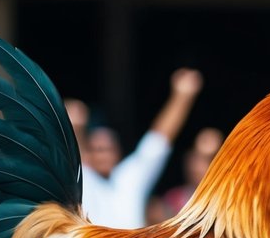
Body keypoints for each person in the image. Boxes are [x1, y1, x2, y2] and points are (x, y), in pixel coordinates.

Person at [76, 68, 203, 229]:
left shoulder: (129, 176)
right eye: (98, 149)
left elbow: (158, 141)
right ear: (88, 153)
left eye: (108, 149)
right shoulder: (84, 180)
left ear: (118, 152)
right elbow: (75, 159)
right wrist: (76, 128)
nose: (103, 155)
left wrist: (182, 96)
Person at [146, 127, 224, 224]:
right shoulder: (173, 200)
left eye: (209, 159)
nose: (199, 166)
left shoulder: (231, 205)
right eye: (196, 156)